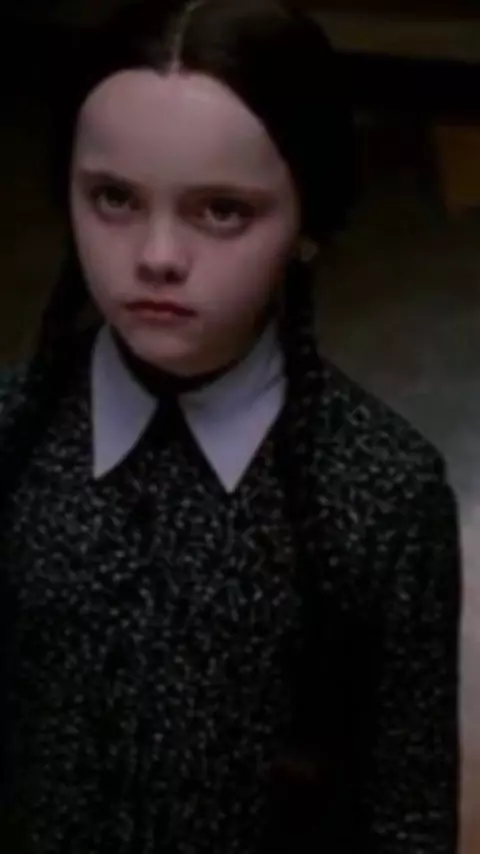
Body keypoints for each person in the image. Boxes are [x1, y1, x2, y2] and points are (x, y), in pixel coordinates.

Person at [0, 1, 461, 852]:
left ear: (308, 224)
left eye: (221, 211)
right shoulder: (11, 439)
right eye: (113, 198)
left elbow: (407, 812)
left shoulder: (383, 495)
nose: (157, 256)